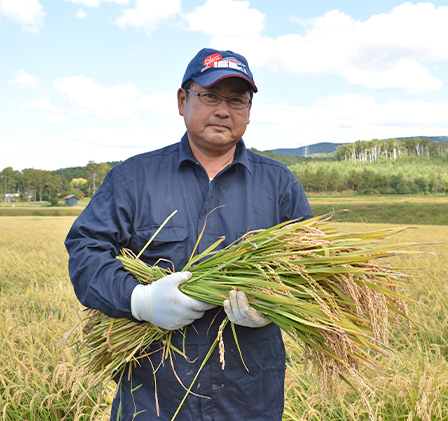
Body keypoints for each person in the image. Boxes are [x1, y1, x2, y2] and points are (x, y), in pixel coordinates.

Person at [64, 48, 313, 420]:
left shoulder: (279, 184)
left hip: (249, 396)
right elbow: (86, 252)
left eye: (237, 99)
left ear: (249, 110)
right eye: (210, 95)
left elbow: (310, 271)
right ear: (183, 100)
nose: (223, 110)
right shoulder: (134, 178)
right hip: (153, 394)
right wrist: (140, 300)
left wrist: (273, 305)